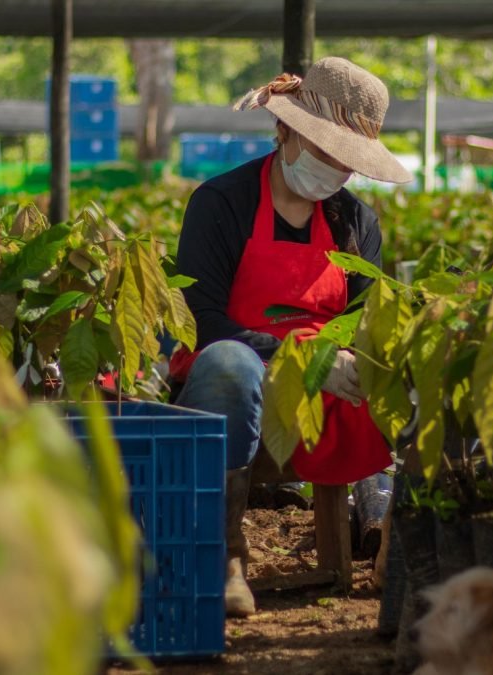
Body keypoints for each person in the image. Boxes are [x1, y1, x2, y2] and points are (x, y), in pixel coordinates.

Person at [169, 56, 412, 617]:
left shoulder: (356, 223)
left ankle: (391, 539)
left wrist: (350, 358)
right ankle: (226, 556)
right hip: (239, 376)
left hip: (327, 392)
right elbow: (203, 322)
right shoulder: (221, 204)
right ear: (285, 130)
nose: (334, 171)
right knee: (229, 363)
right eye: (326, 152)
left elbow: (364, 319)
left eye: (346, 163)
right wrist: (297, 354)